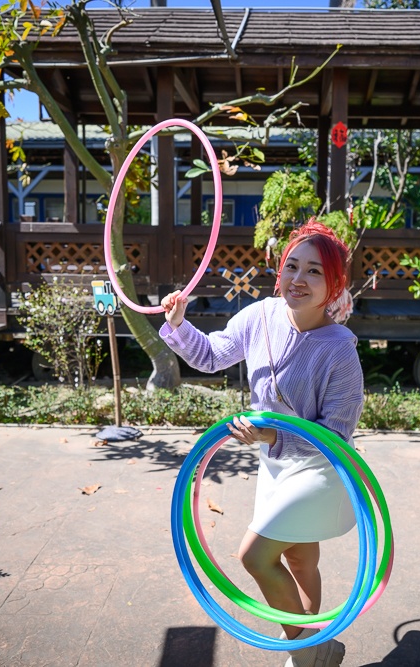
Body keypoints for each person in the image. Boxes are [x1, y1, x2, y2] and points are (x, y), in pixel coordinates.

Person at [160, 221, 363, 667]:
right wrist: (178, 323)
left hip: (319, 472)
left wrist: (272, 434)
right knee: (298, 558)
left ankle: (309, 648)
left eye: (313, 271)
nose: (298, 279)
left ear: (333, 284)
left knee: (254, 556)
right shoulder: (259, 317)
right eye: (292, 266)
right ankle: (315, 647)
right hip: (276, 467)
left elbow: (337, 436)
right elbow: (211, 356)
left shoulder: (340, 350)